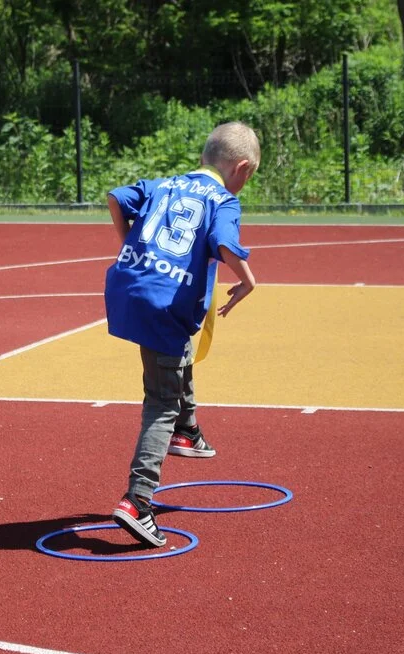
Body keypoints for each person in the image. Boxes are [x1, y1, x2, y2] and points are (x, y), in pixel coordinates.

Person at [105, 121, 260, 547]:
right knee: (160, 402)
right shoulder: (224, 201)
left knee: (171, 356)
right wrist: (247, 281)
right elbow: (225, 243)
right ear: (242, 169)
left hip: (129, 289)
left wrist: (128, 247)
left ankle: (187, 429)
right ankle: (138, 500)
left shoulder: (165, 183)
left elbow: (115, 198)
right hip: (165, 302)